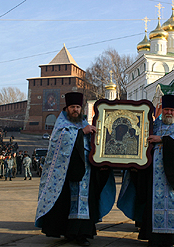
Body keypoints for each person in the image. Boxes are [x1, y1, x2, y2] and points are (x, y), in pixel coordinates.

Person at [118, 95, 174, 247]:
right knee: (151, 205)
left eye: (171, 110)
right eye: (166, 110)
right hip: (153, 178)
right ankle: (153, 237)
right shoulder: (154, 125)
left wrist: (163, 140)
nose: (169, 113)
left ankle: (171, 239)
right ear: (162, 110)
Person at [35, 92, 116, 246]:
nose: (76, 110)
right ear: (67, 108)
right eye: (73, 107)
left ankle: (83, 234)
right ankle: (69, 232)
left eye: (78, 107)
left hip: (87, 172)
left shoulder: (85, 123)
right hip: (67, 173)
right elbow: (61, 143)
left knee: (85, 202)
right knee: (67, 202)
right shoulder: (61, 125)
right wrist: (80, 133)